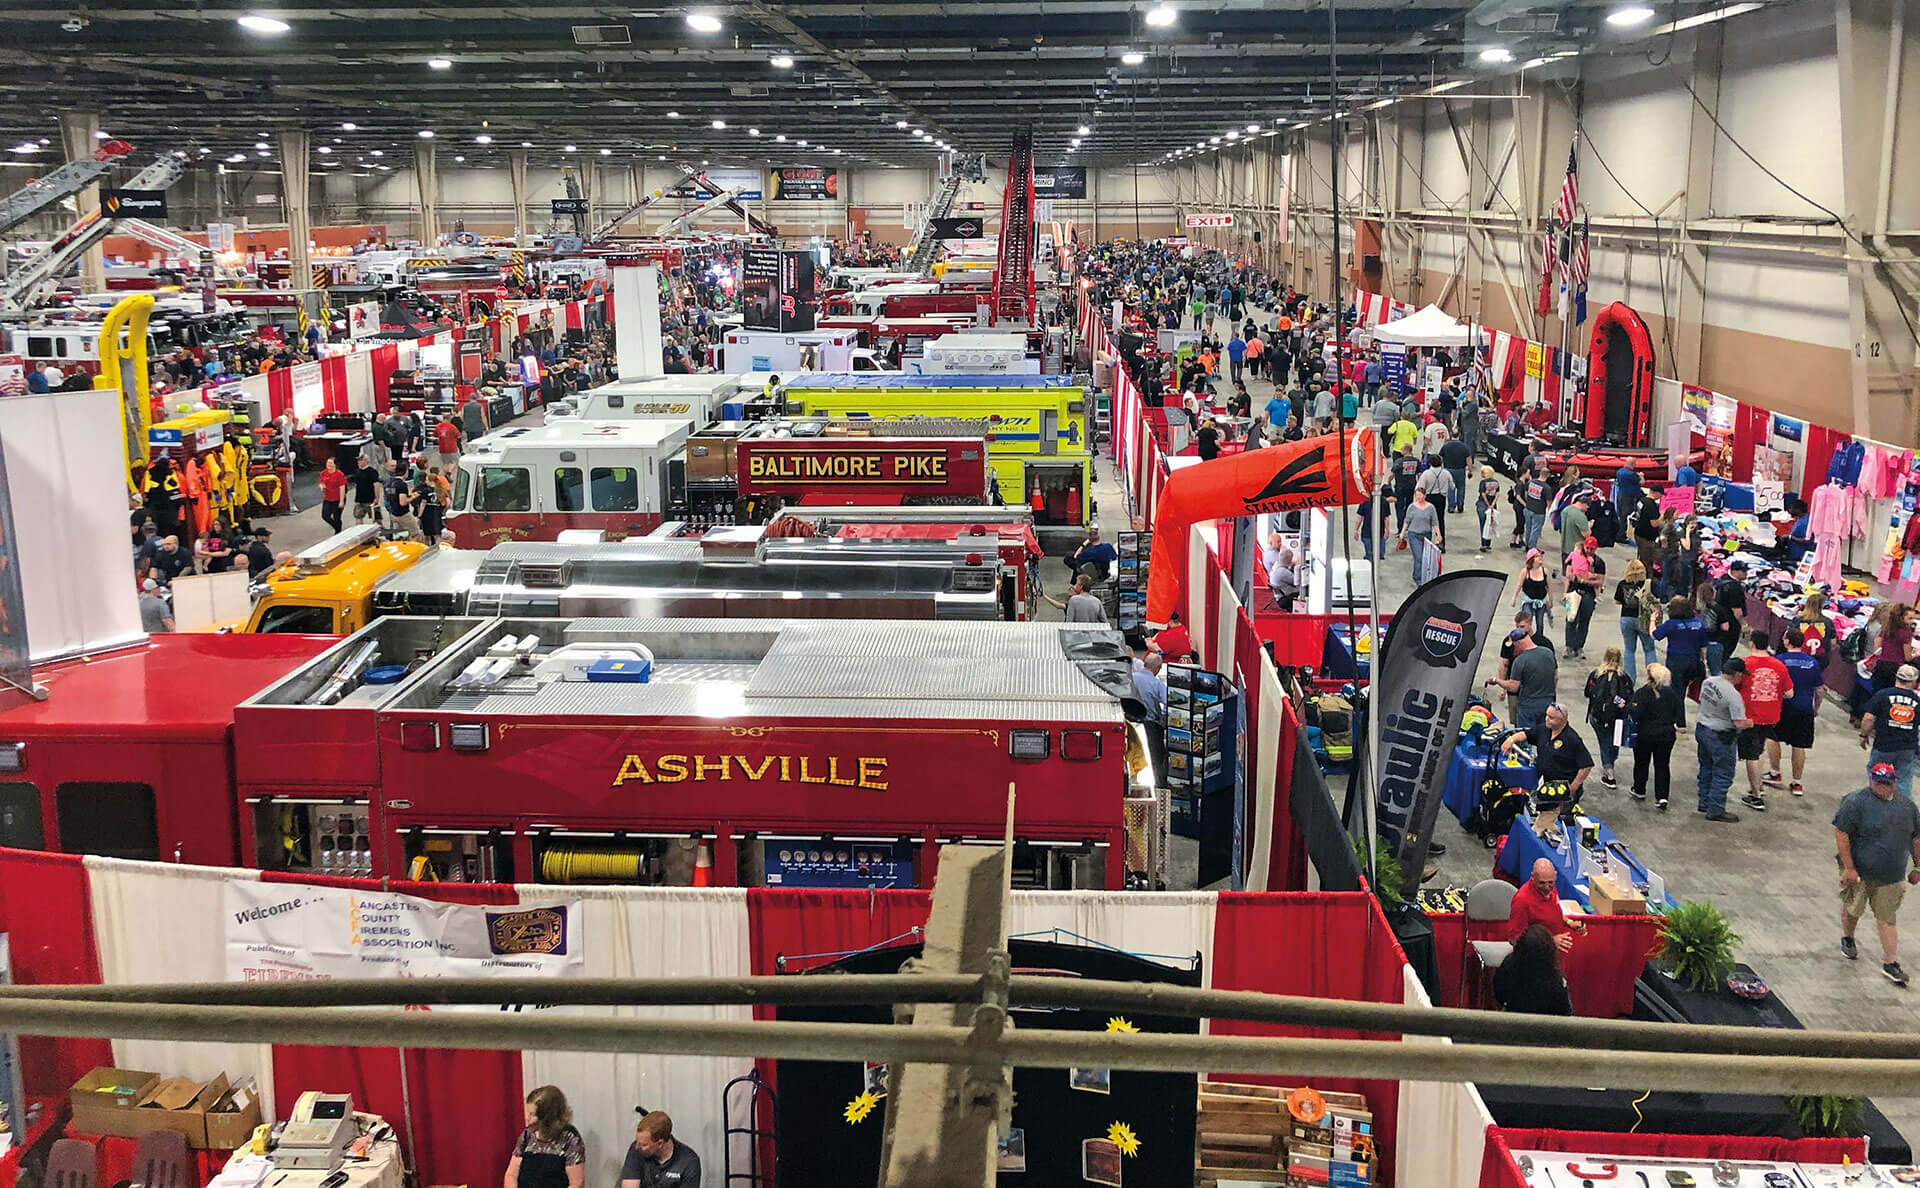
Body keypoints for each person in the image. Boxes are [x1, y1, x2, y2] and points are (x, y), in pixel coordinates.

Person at [1834, 761, 1920, 987]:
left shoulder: (1908, 807)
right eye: (1878, 782)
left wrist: (1917, 867)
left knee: (1887, 919)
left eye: (1886, 784)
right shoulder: (1855, 803)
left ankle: (1891, 963)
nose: (1882, 787)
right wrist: (1849, 868)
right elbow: (1841, 833)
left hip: (1891, 876)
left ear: (1894, 783)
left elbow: (1915, 839)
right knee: (1853, 908)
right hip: (1860, 872)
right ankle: (1848, 938)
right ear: (1871, 780)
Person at [1502, 702, 1594, 805]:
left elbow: (1586, 765)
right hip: (1546, 786)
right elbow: (1526, 734)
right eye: (1546, 715)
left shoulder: (1572, 739)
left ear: (1562, 720)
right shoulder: (1544, 729)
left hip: (1562, 790)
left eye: (1551, 718)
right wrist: (1511, 740)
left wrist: (1573, 787)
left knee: (1558, 818)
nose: (1547, 719)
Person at [1738, 627, 1788, 814]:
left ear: (1751, 644)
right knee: (1759, 750)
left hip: (1750, 716)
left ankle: (1756, 796)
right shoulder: (1779, 665)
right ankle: (1758, 785)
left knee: (1751, 755)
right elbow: (1789, 692)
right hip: (1771, 715)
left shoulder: (1744, 664)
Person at [1696, 657, 1752, 822]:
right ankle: (1716, 809)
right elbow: (1739, 723)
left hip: (1702, 728)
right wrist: (1752, 722)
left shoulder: (1709, 682)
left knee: (1706, 767)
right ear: (1736, 674)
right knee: (1723, 773)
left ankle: (1704, 802)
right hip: (1721, 735)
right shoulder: (1733, 696)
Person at [1770, 627, 1823, 798]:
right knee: (1799, 745)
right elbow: (1820, 689)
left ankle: (1775, 772)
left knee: (1772, 738)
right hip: (1804, 709)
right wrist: (1816, 707)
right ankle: (1797, 782)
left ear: (1787, 641)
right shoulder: (1812, 663)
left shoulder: (1779, 661)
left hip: (1782, 708)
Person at [1859, 664, 1920, 801]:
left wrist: (1863, 735)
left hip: (1884, 744)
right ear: (1914, 682)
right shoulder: (1917, 700)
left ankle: (1874, 803)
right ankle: (1902, 810)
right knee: (1903, 779)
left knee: (1876, 773)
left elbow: (1868, 718)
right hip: (1907, 747)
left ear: (1896, 677)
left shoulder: (1883, 695)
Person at [505, 1085, 586, 1188]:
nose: (527, 1118)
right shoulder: (527, 1135)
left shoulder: (570, 1138)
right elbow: (511, 1174)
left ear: (548, 1118)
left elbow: (577, 1184)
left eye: (532, 1114)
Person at [1629, 662, 1684, 810]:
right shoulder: (1672, 694)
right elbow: (1679, 713)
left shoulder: (1642, 693)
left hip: (1645, 735)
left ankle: (1639, 789)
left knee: (1641, 762)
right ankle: (1662, 796)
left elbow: (1635, 714)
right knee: (1662, 765)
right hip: (1666, 735)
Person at [1493, 923, 1575, 1016]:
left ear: (1519, 946)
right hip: (1546, 1026)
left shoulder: (1507, 967)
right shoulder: (1556, 980)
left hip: (1511, 1021)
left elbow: (1499, 995)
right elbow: (1565, 1011)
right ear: (1550, 951)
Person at [1506, 856, 1586, 950]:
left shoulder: (1550, 889)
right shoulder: (1522, 901)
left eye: (1550, 882)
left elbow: (1552, 914)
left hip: (1553, 952)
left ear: (1555, 876)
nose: (1547, 887)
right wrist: (1550, 942)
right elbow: (1514, 939)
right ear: (1532, 877)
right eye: (1541, 883)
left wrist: (1570, 922)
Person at [1584, 647, 1633, 789]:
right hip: (1618, 718)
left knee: (1604, 742)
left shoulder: (1596, 674)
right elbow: (1629, 697)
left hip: (1597, 716)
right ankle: (1610, 766)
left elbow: (1588, 692)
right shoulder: (1624, 677)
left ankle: (1609, 771)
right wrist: (1617, 702)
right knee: (1614, 742)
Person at [1494, 630, 1559, 729]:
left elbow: (1513, 687)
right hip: (1548, 703)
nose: (1515, 648)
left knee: (1526, 738)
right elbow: (1556, 677)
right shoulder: (1548, 653)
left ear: (1518, 643)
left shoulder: (1520, 661)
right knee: (1545, 735)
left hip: (1528, 706)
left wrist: (1496, 680)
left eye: (1515, 645)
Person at [621, 1111, 700, 1188]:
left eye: (644, 1145)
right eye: (637, 1142)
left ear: (660, 1144)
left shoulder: (689, 1161)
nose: (637, 1147)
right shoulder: (637, 1150)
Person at [1654, 597, 1710, 698]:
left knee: (1676, 691)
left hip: (1676, 660)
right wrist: (1704, 661)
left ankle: (1677, 711)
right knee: (1684, 687)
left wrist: (1652, 620)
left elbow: (1654, 635)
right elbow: (1703, 645)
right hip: (1693, 660)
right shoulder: (1698, 622)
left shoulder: (1671, 624)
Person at [1614, 559, 1659, 684]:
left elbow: (1617, 601)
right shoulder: (1649, 584)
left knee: (1629, 649)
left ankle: (1629, 680)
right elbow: (1657, 599)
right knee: (1649, 649)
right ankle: (1653, 678)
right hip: (1644, 619)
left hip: (1626, 618)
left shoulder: (1622, 584)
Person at [1707, 561, 1750, 676]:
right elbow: (1737, 611)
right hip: (1731, 624)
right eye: (1743, 571)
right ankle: (1720, 671)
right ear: (1735, 571)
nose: (1746, 573)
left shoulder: (1721, 579)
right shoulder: (1735, 588)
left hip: (1718, 621)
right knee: (1727, 649)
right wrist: (1744, 625)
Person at [1564, 535, 1603, 658]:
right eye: (1587, 548)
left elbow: (1600, 581)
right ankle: (1569, 646)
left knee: (1584, 621)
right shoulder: (1575, 556)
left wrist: (1584, 580)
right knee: (1571, 619)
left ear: (1596, 549)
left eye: (1592, 548)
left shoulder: (1599, 562)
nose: (1589, 551)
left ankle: (1579, 646)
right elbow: (1568, 574)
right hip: (1574, 591)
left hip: (1589, 594)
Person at [1400, 484, 1442, 585]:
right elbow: (1407, 520)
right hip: (1414, 534)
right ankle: (1418, 578)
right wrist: (1402, 532)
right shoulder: (1412, 507)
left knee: (1425, 557)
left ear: (1424, 495)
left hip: (1426, 535)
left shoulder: (1430, 508)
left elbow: (1435, 522)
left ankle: (1422, 575)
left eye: (1420, 495)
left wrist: (1438, 534)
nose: (1418, 497)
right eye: (1417, 495)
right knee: (1419, 557)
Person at [1513, 548, 1555, 630]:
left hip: (1541, 601)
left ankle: (1539, 641)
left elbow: (1549, 587)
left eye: (1540, 556)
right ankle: (1526, 639)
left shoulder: (1545, 571)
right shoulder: (1525, 571)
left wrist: (1550, 601)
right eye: (1537, 556)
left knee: (1540, 623)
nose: (1540, 557)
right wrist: (1513, 598)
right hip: (1528, 600)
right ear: (1531, 559)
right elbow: (1519, 585)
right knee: (1527, 622)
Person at [385, 460, 420, 540]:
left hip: (394, 513)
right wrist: (413, 497)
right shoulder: (401, 485)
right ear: (405, 471)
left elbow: (390, 496)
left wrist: (408, 495)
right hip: (403, 514)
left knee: (399, 536)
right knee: (415, 533)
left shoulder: (390, 483)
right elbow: (403, 502)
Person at [1439, 433, 1471, 514]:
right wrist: (1470, 470)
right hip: (1460, 470)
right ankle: (1460, 505)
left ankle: (1451, 507)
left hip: (1449, 470)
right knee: (1461, 487)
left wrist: (1441, 469)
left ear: (1450, 435)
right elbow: (1469, 459)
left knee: (1450, 488)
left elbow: (1440, 458)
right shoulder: (1464, 446)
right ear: (1459, 435)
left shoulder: (1446, 446)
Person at [317, 456, 347, 534]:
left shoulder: (339, 474)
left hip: (337, 498)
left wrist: (341, 501)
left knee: (336, 517)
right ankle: (337, 526)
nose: (328, 464)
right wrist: (321, 486)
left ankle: (338, 531)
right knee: (325, 516)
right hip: (328, 498)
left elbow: (342, 487)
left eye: (330, 463)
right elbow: (321, 482)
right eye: (327, 463)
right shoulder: (323, 473)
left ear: (335, 464)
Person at [351, 455, 382, 525]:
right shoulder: (357, 471)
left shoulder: (372, 472)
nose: (358, 462)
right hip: (359, 500)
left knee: (377, 519)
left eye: (360, 460)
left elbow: (376, 485)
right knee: (358, 517)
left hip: (371, 500)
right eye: (358, 460)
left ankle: (380, 533)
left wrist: (377, 498)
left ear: (365, 461)